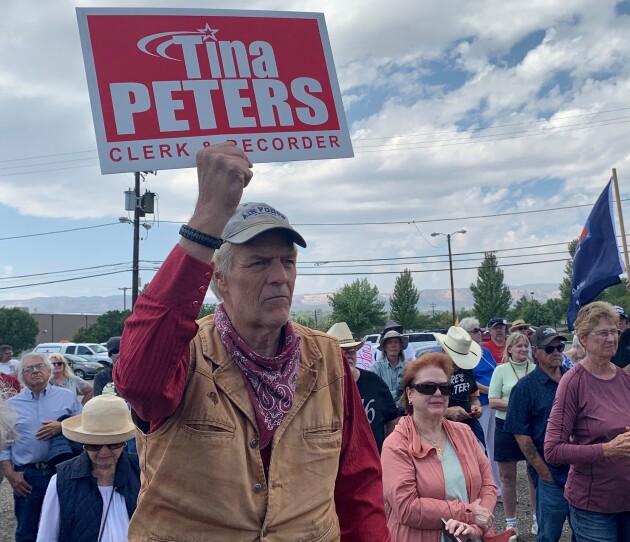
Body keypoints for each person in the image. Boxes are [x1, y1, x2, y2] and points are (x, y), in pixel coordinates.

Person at [112, 144, 388, 540]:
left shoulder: (327, 358)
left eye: (287, 262)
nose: (280, 276)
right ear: (219, 280)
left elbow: (358, 484)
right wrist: (208, 214)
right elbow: (137, 379)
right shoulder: (185, 354)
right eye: (259, 262)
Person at [545, 304, 630, 542]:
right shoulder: (573, 382)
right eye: (603, 333)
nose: (612, 338)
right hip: (594, 503)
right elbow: (552, 450)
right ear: (584, 339)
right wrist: (607, 449)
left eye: (614, 331)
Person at [381, 353, 509, 542]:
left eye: (445, 387)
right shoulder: (396, 444)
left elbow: (488, 485)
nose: (438, 393)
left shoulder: (464, 433)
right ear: (409, 394)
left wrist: (474, 528)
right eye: (427, 387)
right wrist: (468, 513)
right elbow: (406, 508)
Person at [506, 326, 580, 542]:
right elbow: (520, 434)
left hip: (581, 470)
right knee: (548, 535)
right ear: (535, 352)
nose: (557, 352)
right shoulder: (524, 388)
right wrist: (543, 472)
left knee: (585, 534)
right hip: (550, 475)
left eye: (560, 347)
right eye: (549, 348)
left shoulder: (575, 380)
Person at [1, 353, 82, 542]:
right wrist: (10, 475)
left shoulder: (67, 397)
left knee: (64, 525)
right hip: (28, 476)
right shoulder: (12, 405)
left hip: (62, 472)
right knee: (27, 529)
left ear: (49, 370)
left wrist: (61, 426)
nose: (35, 371)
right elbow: (4, 443)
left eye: (39, 366)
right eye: (28, 369)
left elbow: (82, 426)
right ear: (21, 376)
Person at [36, 395, 140, 541]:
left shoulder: (143, 471)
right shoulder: (61, 480)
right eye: (95, 445)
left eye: (113, 444)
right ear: (83, 443)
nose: (104, 452)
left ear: (124, 442)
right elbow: (47, 537)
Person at [489, 331, 536, 534]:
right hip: (505, 427)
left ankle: (537, 518)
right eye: (519, 346)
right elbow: (493, 401)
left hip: (531, 427)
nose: (523, 349)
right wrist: (517, 405)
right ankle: (510, 522)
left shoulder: (536, 369)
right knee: (507, 476)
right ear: (509, 349)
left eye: (526, 345)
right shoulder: (501, 371)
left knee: (534, 473)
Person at [328, 322, 399, 452]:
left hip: (373, 465)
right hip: (337, 466)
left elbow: (393, 419)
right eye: (341, 351)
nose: (347, 356)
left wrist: (387, 451)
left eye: (351, 351)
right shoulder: (323, 387)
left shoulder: (374, 382)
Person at [460, 317, 503, 494]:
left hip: (492, 402)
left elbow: (495, 371)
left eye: (479, 330)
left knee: (493, 444)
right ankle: (480, 486)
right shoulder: (463, 354)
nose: (480, 333)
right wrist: (491, 390)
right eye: (475, 330)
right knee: (480, 444)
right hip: (481, 403)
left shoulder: (484, 352)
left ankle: (496, 485)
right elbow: (472, 382)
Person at [435, 327, 485, 446]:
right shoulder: (432, 372)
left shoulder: (466, 369)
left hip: (469, 427)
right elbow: (418, 408)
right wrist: (446, 412)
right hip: (441, 430)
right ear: (443, 351)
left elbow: (474, 397)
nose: (458, 363)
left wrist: (476, 407)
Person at [370, 330, 410, 406]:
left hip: (405, 412)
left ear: (401, 346)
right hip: (384, 412)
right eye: (390, 342)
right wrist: (397, 393)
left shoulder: (409, 367)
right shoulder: (375, 368)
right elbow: (375, 393)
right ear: (384, 346)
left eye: (396, 342)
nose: (393, 345)